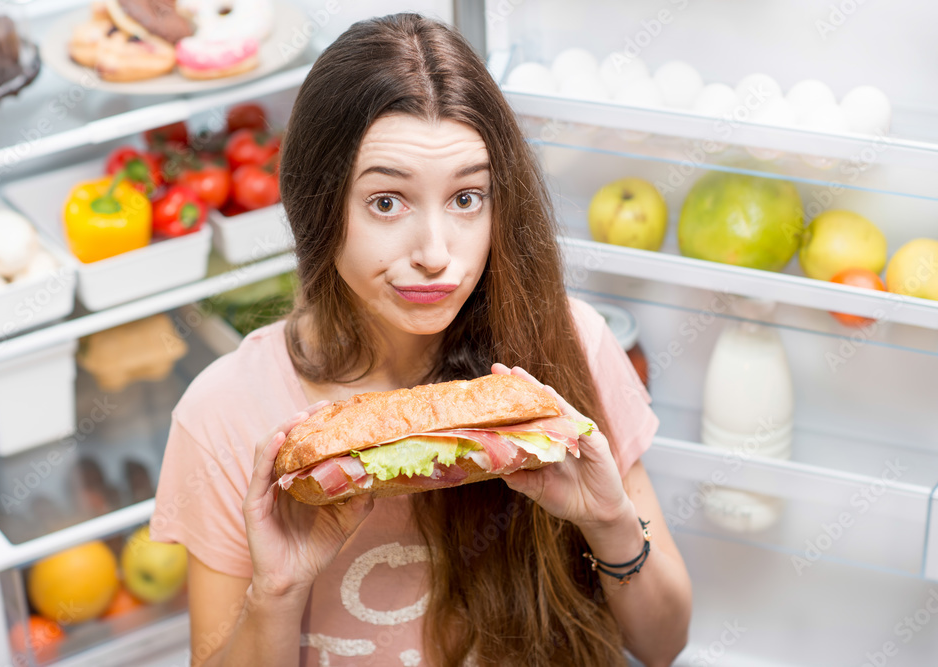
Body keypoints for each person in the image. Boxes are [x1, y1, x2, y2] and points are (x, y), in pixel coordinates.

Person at [150, 12, 691, 667]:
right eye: (387, 202)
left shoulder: (572, 344)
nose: (437, 254)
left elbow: (664, 645)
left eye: (467, 198)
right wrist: (278, 589)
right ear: (316, 207)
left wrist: (609, 523)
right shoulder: (225, 412)